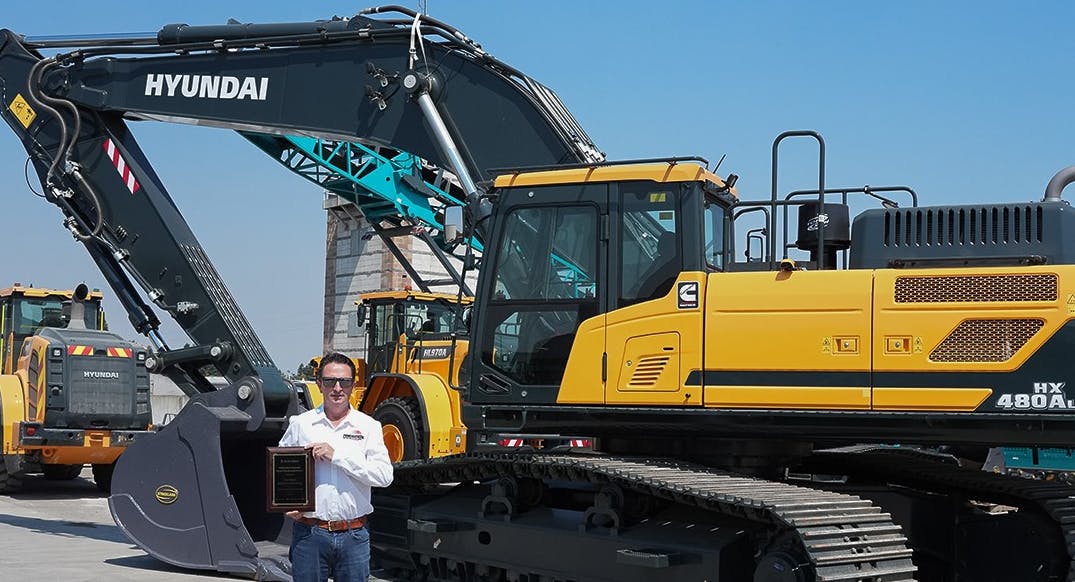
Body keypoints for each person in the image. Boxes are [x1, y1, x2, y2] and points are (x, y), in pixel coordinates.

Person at [278, 351, 394, 582]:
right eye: (330, 381)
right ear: (320, 385)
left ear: (353, 385)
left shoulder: (368, 426)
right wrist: (285, 503)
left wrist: (337, 455)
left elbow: (384, 476)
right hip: (310, 534)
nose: (338, 388)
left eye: (345, 382)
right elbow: (281, 469)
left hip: (354, 536)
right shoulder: (301, 424)